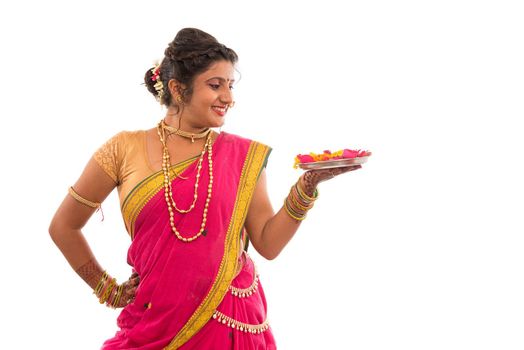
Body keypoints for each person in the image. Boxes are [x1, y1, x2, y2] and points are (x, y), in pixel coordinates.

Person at [49, 28, 362, 349]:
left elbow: (268, 243)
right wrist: (106, 289)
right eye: (215, 85)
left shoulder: (244, 156)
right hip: (152, 323)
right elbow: (64, 226)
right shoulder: (123, 149)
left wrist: (307, 186)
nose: (228, 97)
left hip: (229, 322)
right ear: (177, 89)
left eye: (230, 85)